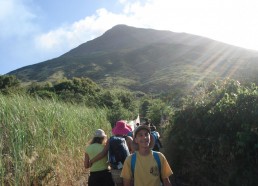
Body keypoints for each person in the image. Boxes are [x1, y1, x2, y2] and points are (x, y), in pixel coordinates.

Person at [90, 120, 134, 186]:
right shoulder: (129, 139)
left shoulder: (110, 140)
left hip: (115, 169)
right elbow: (135, 154)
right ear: (125, 129)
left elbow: (103, 153)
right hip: (127, 166)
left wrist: (91, 161)